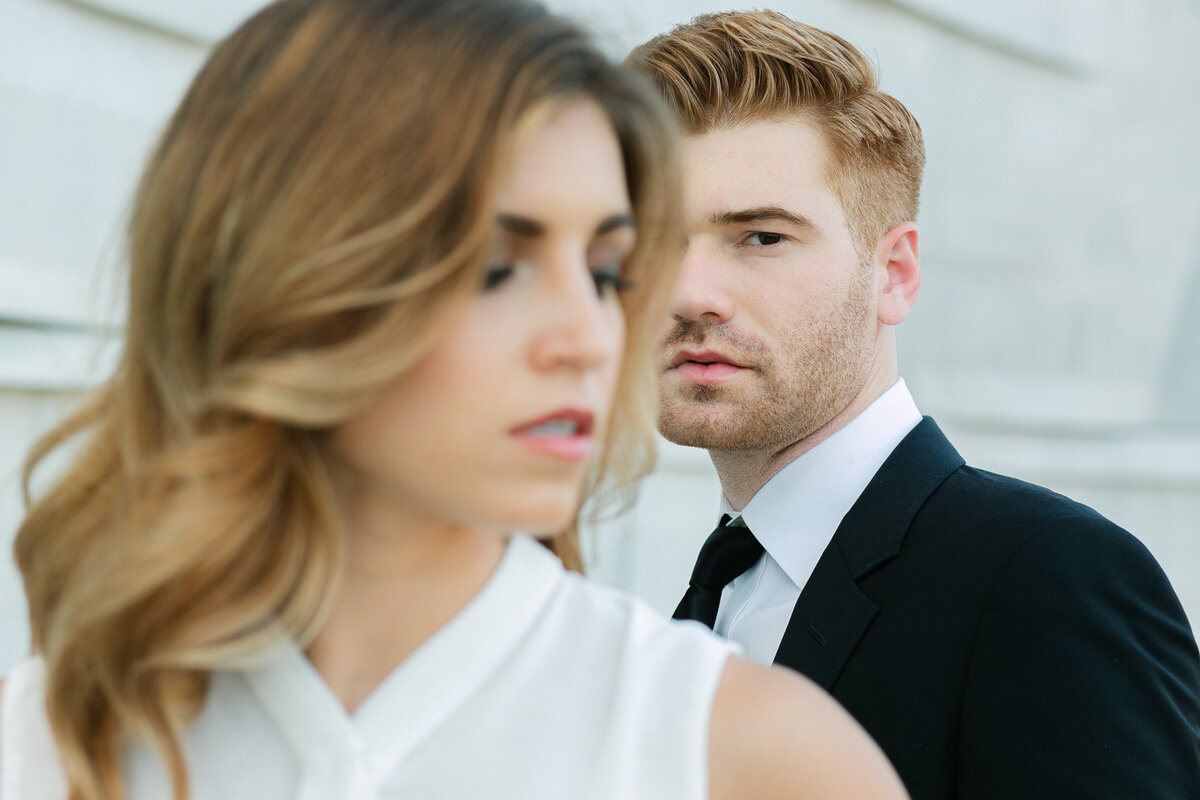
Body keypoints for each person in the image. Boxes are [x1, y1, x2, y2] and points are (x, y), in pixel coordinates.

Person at [0, 2, 910, 799]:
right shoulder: (48, 738)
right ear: (287, 285)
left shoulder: (749, 754)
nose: (590, 337)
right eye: (497, 265)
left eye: (604, 271)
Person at [630, 9, 1200, 800]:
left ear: (894, 273)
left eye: (762, 237)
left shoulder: (1046, 576)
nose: (689, 293)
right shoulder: (715, 596)